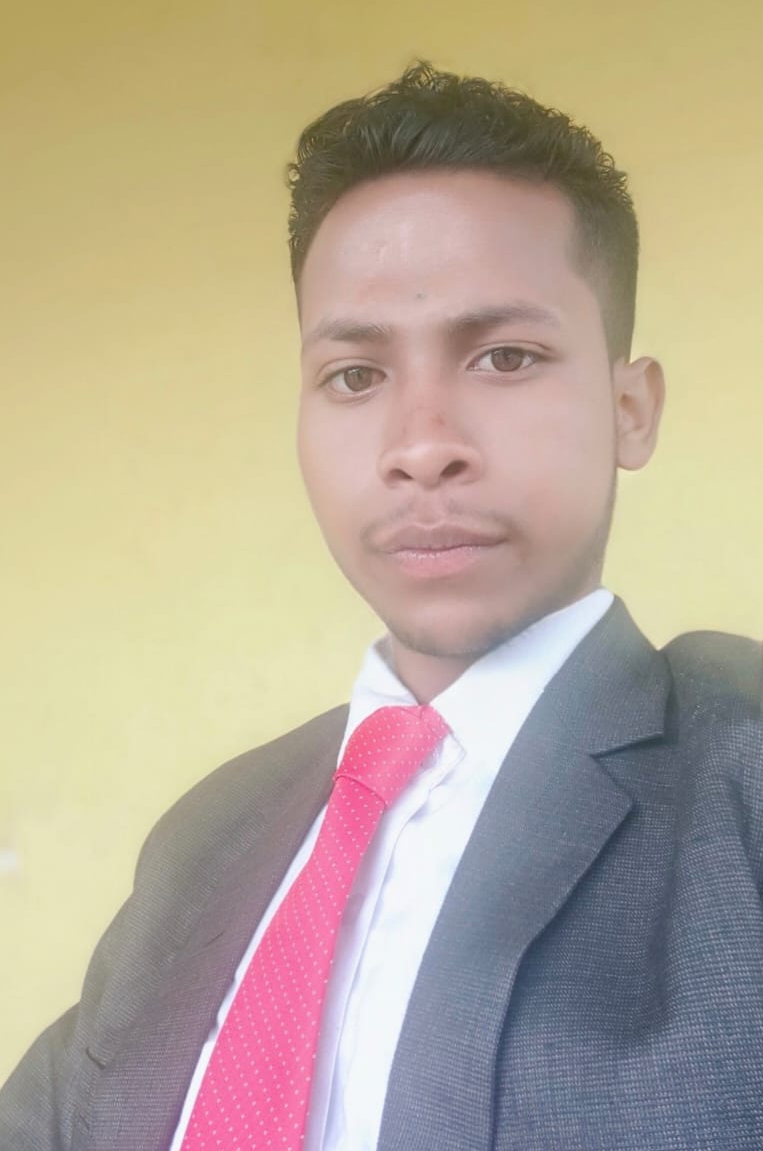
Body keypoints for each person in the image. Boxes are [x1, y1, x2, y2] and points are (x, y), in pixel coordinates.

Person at [1, 62, 761, 1151]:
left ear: (630, 408)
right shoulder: (207, 836)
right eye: (354, 376)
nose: (420, 445)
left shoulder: (736, 785)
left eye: (504, 356)